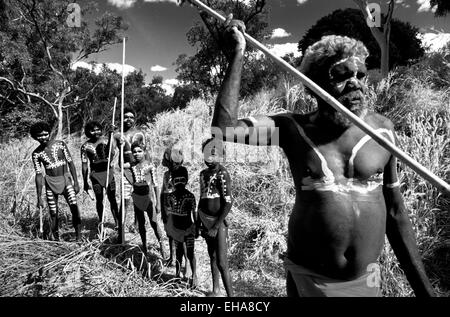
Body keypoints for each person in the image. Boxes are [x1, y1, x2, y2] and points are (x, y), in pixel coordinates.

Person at [208, 16, 435, 297]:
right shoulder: (291, 129)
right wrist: (238, 52)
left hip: (368, 283)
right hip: (309, 281)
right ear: (312, 85)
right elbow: (223, 129)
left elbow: (396, 212)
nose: (355, 84)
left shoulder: (383, 132)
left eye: (361, 75)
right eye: (341, 76)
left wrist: (425, 292)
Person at [30, 121, 82, 241]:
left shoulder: (60, 145)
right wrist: (39, 197)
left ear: (49, 133)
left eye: (45, 134)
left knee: (74, 207)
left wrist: (76, 182)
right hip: (50, 184)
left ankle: (79, 237)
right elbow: (38, 175)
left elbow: (71, 163)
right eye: (39, 135)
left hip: (66, 180)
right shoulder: (36, 154)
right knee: (53, 213)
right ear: (35, 137)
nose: (43, 137)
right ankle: (56, 240)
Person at [198, 138, 233, 297]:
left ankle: (232, 297)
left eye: (214, 155)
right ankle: (216, 290)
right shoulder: (203, 174)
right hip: (205, 219)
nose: (209, 159)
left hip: (217, 223)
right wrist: (198, 221)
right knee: (211, 255)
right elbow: (202, 198)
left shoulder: (222, 174)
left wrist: (216, 226)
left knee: (221, 262)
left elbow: (228, 202)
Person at [114, 107, 147, 241]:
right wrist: (113, 139)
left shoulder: (140, 134)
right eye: (126, 116)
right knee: (125, 200)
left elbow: (145, 152)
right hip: (126, 171)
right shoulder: (117, 134)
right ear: (121, 118)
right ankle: (121, 228)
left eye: (131, 117)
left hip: (139, 171)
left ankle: (137, 225)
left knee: (138, 199)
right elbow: (111, 153)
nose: (129, 119)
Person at [130, 141, 166, 258]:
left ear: (145, 152)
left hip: (148, 198)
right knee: (141, 223)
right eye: (134, 152)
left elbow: (156, 185)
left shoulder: (150, 166)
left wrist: (158, 203)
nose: (137, 154)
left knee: (154, 223)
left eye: (139, 151)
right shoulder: (132, 166)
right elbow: (121, 166)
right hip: (137, 198)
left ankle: (162, 246)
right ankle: (144, 246)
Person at [81, 121, 120, 230]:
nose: (96, 132)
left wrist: (111, 134)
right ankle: (101, 222)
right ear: (88, 132)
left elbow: (111, 155)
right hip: (95, 176)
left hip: (109, 173)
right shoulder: (85, 146)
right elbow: (84, 165)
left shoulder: (106, 140)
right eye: (93, 130)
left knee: (112, 199)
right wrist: (85, 182)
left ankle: (117, 223)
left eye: (98, 129)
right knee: (99, 199)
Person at [165, 165, 198, 288]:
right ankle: (177, 276)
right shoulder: (170, 197)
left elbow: (194, 215)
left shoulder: (190, 196)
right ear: (172, 181)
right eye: (176, 180)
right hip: (176, 230)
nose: (179, 183)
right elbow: (169, 216)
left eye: (182, 180)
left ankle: (194, 276)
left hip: (188, 229)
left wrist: (197, 228)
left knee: (190, 253)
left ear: (186, 180)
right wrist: (169, 229)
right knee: (178, 253)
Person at [160, 145, 189, 267]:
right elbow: (163, 191)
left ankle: (186, 262)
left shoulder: (182, 172)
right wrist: (162, 209)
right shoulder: (166, 174)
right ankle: (172, 257)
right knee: (170, 232)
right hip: (167, 205)